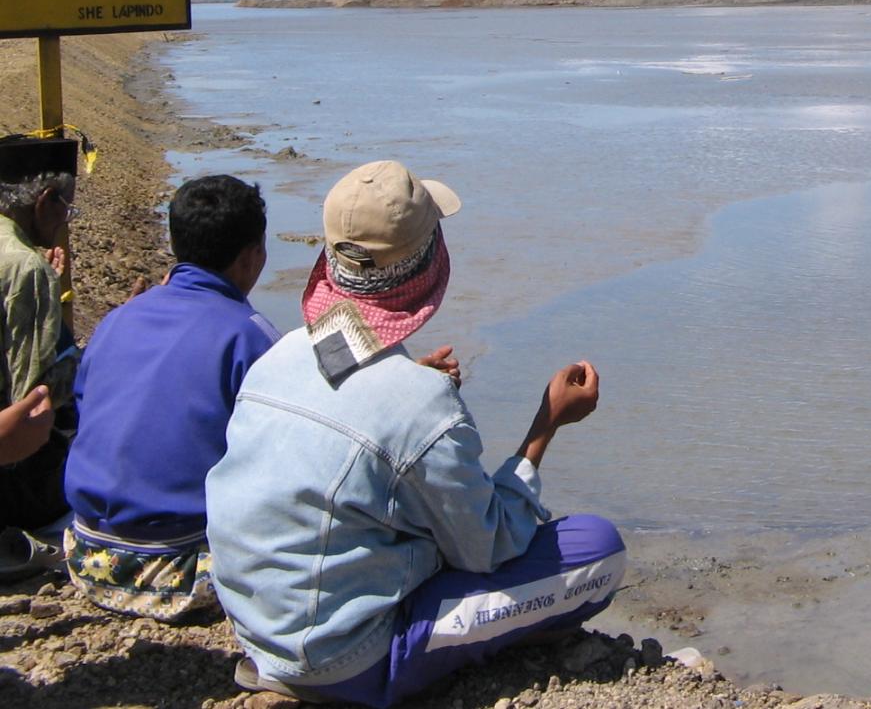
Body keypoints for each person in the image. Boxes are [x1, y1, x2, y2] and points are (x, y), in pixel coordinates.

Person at [206, 160, 625, 707]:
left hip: (255, 625)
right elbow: (489, 546)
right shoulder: (421, 405)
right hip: (340, 660)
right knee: (597, 551)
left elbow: (355, 408)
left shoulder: (280, 356)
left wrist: (411, 386)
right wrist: (546, 424)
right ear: (428, 265)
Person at [60, 174, 278, 619]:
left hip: (84, 555)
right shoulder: (250, 337)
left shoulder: (116, 321)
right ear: (252, 256)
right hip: (179, 568)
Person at [0, 136, 81, 544]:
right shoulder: (25, 269)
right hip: (15, 489)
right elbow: (31, 403)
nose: (65, 221)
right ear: (45, 199)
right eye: (66, 208)